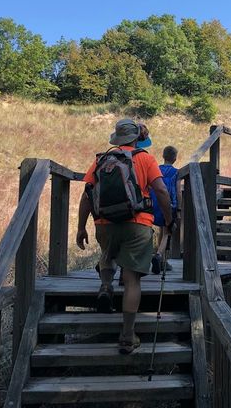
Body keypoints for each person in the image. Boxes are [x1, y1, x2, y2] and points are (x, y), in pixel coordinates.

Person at [76, 119, 174, 355]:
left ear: (117, 139)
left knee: (107, 253)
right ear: (136, 138)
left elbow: (87, 196)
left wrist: (81, 227)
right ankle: (128, 336)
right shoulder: (145, 158)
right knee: (132, 280)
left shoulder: (101, 160)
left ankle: (106, 286)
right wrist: (169, 220)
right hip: (137, 224)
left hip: (104, 223)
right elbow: (160, 190)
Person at [151, 145, 180, 274]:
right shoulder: (175, 172)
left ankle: (162, 260)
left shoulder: (156, 169)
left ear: (163, 156)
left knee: (161, 230)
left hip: (155, 204)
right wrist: (179, 207)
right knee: (167, 231)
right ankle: (158, 255)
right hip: (169, 204)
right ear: (175, 159)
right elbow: (178, 191)